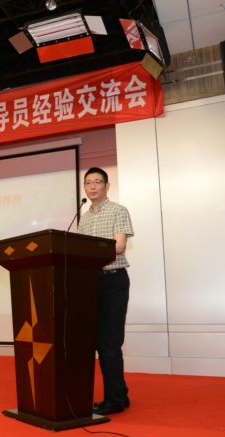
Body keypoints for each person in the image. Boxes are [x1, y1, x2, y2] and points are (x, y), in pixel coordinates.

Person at [77, 167, 134, 416]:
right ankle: (120, 392)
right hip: (91, 282)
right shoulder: (84, 217)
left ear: (107, 186)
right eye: (88, 182)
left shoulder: (118, 211)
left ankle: (114, 400)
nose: (92, 186)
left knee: (109, 342)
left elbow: (119, 246)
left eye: (97, 182)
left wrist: (90, 255)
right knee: (100, 342)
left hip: (113, 281)